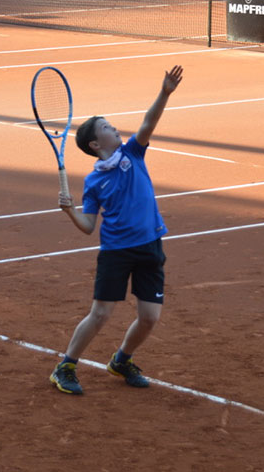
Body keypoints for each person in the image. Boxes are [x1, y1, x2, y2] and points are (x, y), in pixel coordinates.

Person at [50, 65, 184, 395]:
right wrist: (69, 211)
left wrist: (164, 92)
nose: (114, 128)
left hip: (150, 245)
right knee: (101, 314)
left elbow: (147, 123)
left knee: (150, 317)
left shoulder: (132, 154)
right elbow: (88, 226)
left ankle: (121, 360)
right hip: (116, 253)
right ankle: (65, 366)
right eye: (107, 127)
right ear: (96, 144)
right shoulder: (94, 182)